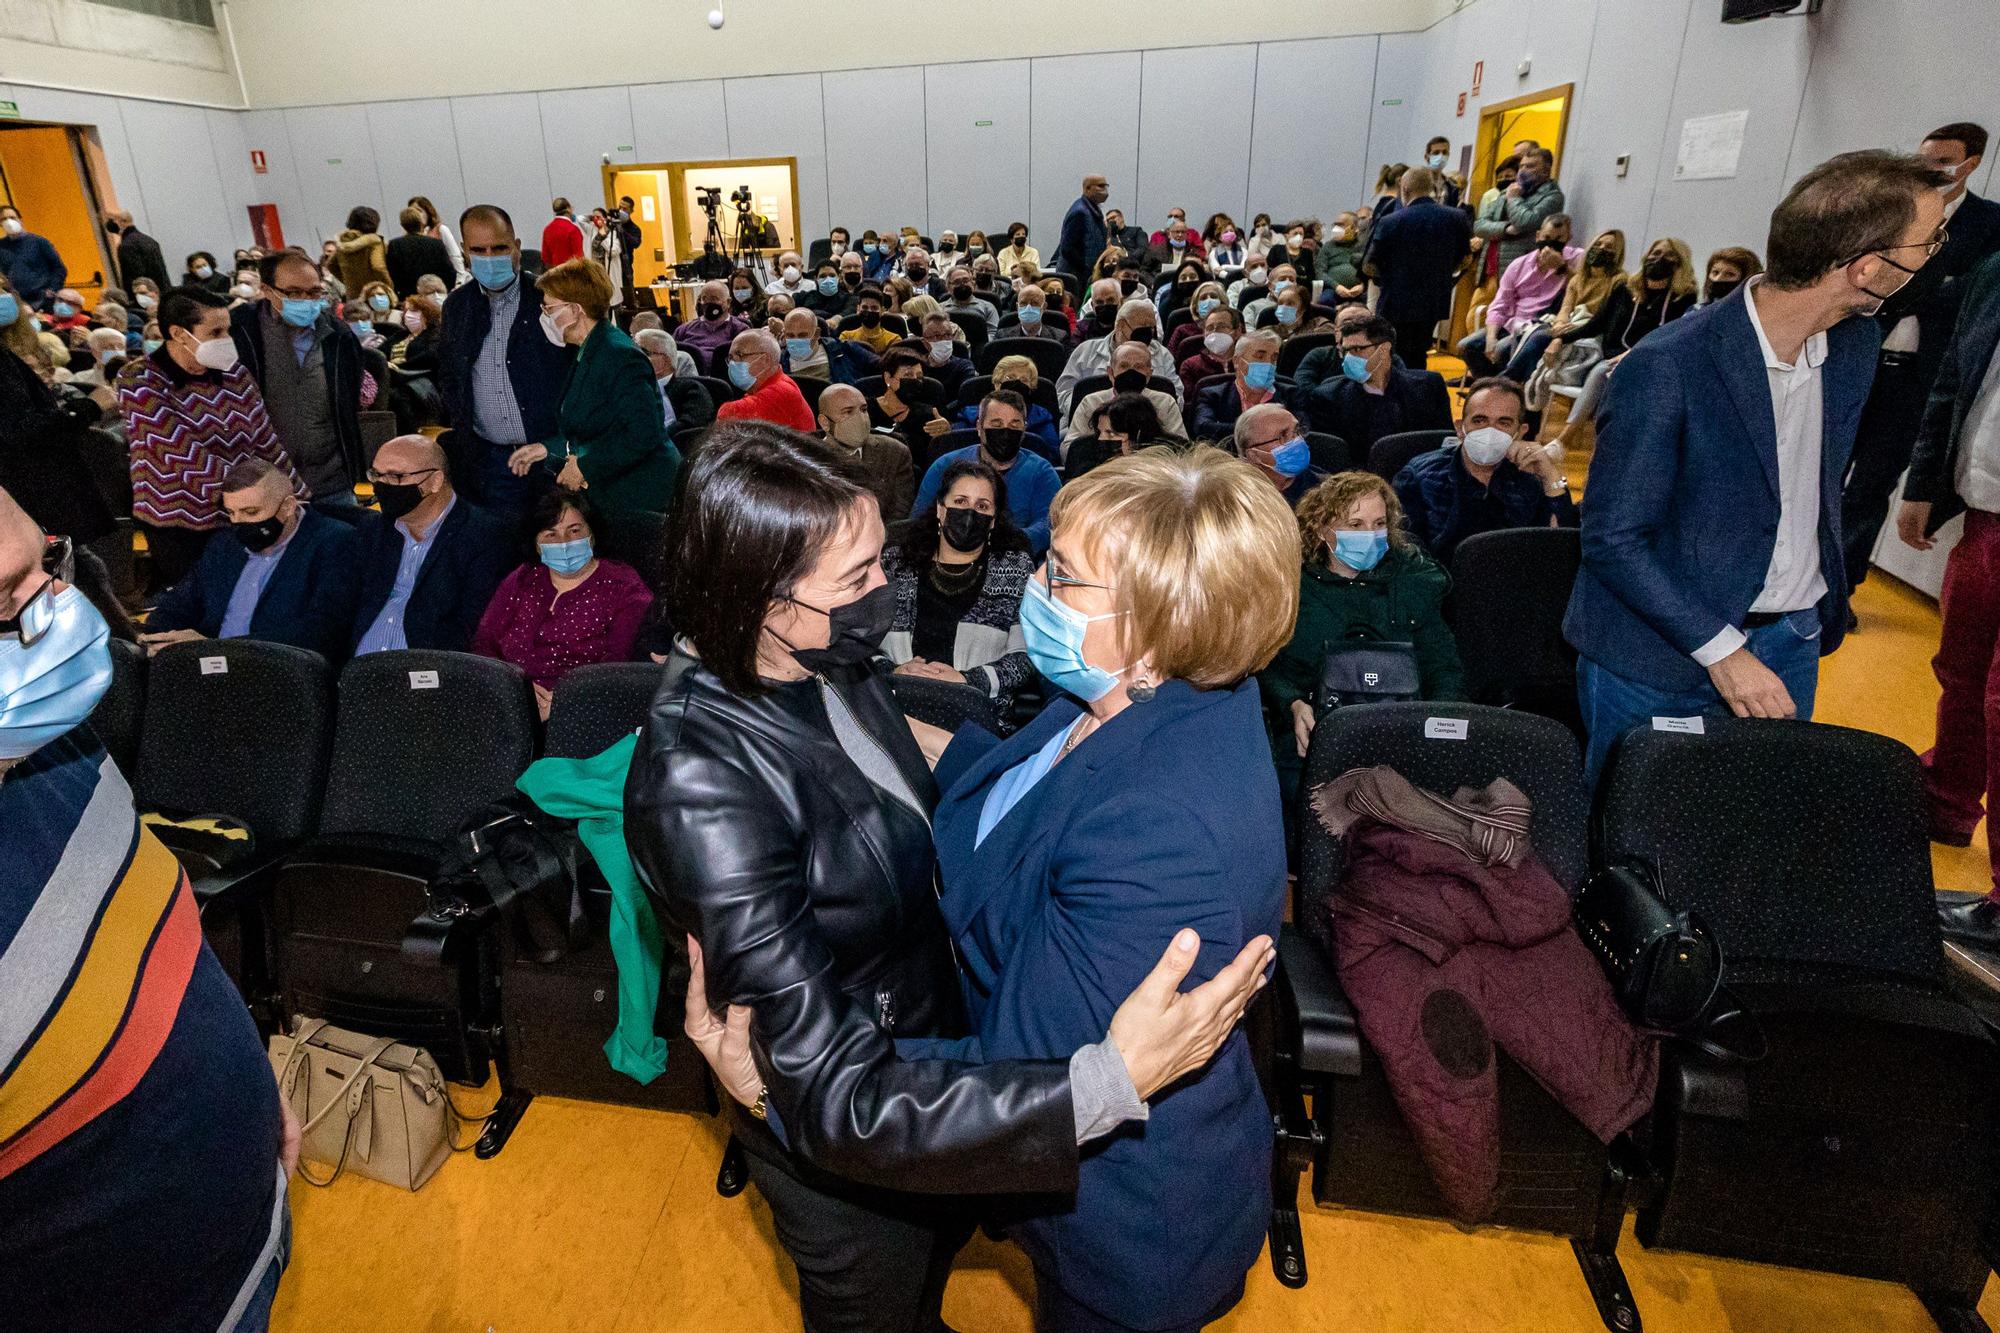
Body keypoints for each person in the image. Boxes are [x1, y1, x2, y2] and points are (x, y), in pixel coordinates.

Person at [630, 423, 1274, 1333]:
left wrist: (1113, 1077)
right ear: (765, 604)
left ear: (1158, 622)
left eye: (1062, 575)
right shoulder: (702, 776)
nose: (885, 591)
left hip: (1020, 1140)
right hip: (874, 1113)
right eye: (856, 578)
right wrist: (791, 1088)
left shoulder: (1149, 811)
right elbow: (844, 1089)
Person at [0, 486, 296, 1333]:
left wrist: (235, 1069)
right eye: (4, 601)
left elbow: (138, 930)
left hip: (241, 1249)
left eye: (47, 564)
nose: (60, 609)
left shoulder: (41, 736)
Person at [1565, 150, 1949, 784]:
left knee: (1752, 835)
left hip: (1792, 639)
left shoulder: (1854, 344)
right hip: (1658, 655)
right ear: (1869, 267)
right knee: (1634, 844)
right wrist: (1724, 652)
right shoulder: (1669, 365)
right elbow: (1612, 538)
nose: (1936, 254)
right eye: (1928, 242)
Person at [1842, 123, 2000, 601]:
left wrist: (1921, 286)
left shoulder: (1988, 225)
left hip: (1918, 378)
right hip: (1861, 360)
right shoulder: (1892, 216)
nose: (1929, 170)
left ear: (1971, 163)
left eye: (1942, 161)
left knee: (1871, 486)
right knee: (1822, 470)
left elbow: (1969, 304)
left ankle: (1839, 590)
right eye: (1924, 158)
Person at [1260, 468, 1465, 806]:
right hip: (1314, 735)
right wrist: (1292, 704)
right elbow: (1267, 665)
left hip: (1405, 734)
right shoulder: (1290, 587)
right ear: (1323, 529)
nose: (1370, 535)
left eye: (1379, 524)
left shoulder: (1415, 579)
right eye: (1355, 525)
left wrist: (1438, 729)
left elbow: (1443, 668)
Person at [1904, 253, 2000, 937]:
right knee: (1960, 672)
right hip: (1985, 510)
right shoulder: (1994, 270)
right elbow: (1953, 379)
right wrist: (1924, 481)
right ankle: (1946, 803)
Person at [120, 285, 302, 586]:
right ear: (179, 334)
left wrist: (295, 495)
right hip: (182, 524)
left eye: (227, 331)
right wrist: (257, 496)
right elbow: (181, 454)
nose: (226, 340)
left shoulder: (234, 373)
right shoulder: (139, 378)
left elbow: (267, 441)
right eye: (215, 332)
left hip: (244, 511)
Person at [435, 204, 575, 525]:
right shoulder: (457, 307)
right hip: (492, 460)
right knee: (505, 552)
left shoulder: (548, 297)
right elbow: (450, 375)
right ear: (465, 253)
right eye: (479, 250)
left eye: (499, 247)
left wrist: (563, 445)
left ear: (516, 246)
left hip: (552, 453)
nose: (490, 257)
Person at [507, 258, 680, 517]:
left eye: (549, 308)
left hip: (643, 495)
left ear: (575, 309)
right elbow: (591, 427)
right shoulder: (587, 351)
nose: (544, 316)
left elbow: (643, 435)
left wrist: (584, 467)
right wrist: (547, 447)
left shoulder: (619, 355)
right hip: (614, 490)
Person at [140, 457, 355, 659]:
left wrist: (216, 649)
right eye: (231, 513)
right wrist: (156, 636)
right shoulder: (224, 544)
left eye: (251, 512)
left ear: (288, 507)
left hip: (282, 670)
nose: (239, 522)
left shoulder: (334, 543)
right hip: (208, 668)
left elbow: (322, 632)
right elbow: (179, 604)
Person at [472, 487, 652, 719]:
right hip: (507, 702)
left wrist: (564, 700)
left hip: (585, 709)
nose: (564, 542)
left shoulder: (623, 586)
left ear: (592, 535)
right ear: (537, 544)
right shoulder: (523, 578)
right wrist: (513, 692)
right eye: (551, 534)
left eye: (574, 530)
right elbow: (484, 643)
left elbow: (618, 665)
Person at [879, 456, 1035, 707]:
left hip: (974, 707)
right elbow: (860, 640)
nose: (970, 513)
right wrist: (893, 671)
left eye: (982, 506)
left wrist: (967, 681)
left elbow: (1026, 657)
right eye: (960, 501)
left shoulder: (1015, 568)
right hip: (895, 701)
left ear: (993, 520)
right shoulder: (895, 562)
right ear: (941, 509)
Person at [350, 433, 513, 655]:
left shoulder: (485, 537)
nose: (382, 486)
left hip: (428, 671)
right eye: (377, 475)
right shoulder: (374, 530)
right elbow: (344, 608)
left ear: (435, 481)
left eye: (396, 476)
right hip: (358, 669)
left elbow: (473, 629)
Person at [229, 249, 367, 508]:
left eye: (314, 292)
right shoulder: (241, 331)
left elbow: (350, 402)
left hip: (331, 480)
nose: (305, 300)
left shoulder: (339, 336)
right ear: (268, 290)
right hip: (265, 485)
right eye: (293, 292)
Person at [1394, 376, 1573, 569]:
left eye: (1503, 423)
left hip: (1513, 585)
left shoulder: (1532, 478)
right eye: (1479, 420)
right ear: (1460, 428)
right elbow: (1405, 554)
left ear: (1520, 432)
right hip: (1443, 587)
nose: (1490, 431)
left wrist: (1550, 476)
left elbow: (1560, 550)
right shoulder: (1419, 477)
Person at [1541, 238, 1700, 456]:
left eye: (1668, 255)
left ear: (1679, 262)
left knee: (1603, 373)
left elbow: (1668, 336)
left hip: (1645, 361)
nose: (1659, 260)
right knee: (1586, 363)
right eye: (1655, 253)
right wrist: (1561, 339)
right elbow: (1596, 324)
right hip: (1608, 355)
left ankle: (1564, 440)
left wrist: (1633, 353)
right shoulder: (1625, 289)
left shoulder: (1683, 298)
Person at [913, 389, 1059, 552]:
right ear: (979, 427)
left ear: (1024, 429)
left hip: (1014, 558)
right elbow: (920, 518)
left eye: (1014, 425)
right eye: (996, 424)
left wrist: (1005, 541)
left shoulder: (1042, 472)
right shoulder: (944, 465)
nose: (1005, 431)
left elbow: (1049, 524)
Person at [1301, 313, 1454, 454]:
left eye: (1357, 349)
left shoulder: (1429, 387)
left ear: (1383, 350)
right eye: (1345, 351)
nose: (1348, 358)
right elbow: (1334, 457)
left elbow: (1443, 444)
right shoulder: (1328, 397)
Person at [1496, 228, 1627, 383]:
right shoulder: (1577, 279)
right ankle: (1515, 385)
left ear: (1617, 255)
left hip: (1588, 330)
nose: (1601, 249)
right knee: (1520, 338)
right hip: (1568, 324)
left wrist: (1561, 334)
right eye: (1598, 244)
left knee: (1539, 338)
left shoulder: (1619, 281)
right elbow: (1566, 308)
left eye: (1609, 247)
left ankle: (1506, 382)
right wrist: (1560, 324)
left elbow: (1601, 320)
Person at [1458, 213, 1577, 377]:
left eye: (1559, 239)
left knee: (1501, 350)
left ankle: (1501, 390)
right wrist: (1491, 337)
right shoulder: (1519, 265)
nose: (1551, 244)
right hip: (1511, 323)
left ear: (1568, 238)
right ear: (1538, 236)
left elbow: (1584, 287)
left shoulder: (1576, 258)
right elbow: (1499, 304)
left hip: (1542, 325)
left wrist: (1562, 267)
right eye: (1547, 237)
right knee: (1467, 346)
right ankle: (1489, 387)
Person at [1056, 295, 1175, 417]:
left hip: (1149, 421)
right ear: (1120, 326)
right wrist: (1092, 409)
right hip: (1090, 421)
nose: (1148, 332)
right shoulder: (1085, 351)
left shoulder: (1163, 355)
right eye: (1143, 326)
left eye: (1151, 327)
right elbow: (1062, 393)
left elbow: (1177, 396)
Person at [816, 381, 915, 521]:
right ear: (825, 422)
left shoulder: (895, 452)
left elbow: (899, 517)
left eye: (863, 410)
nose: (860, 419)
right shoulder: (807, 461)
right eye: (848, 412)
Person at [1066, 340, 1186, 446]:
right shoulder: (1091, 402)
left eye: (1138, 367)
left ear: (1149, 374)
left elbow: (1181, 445)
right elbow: (1069, 447)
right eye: (1124, 366)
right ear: (1110, 373)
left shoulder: (1165, 402)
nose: (1131, 373)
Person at [1472, 146, 1565, 275]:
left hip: (1522, 271)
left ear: (1545, 170)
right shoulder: (1509, 191)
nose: (1522, 171)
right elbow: (1479, 226)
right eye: (1521, 166)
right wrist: (1506, 229)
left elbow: (1525, 222)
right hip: (1489, 269)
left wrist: (1514, 199)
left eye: (1530, 166)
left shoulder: (1553, 197)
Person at [715, 328, 817, 432]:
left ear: (765, 360)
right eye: (730, 358)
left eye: (740, 355)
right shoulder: (761, 388)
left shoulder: (781, 391)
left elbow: (727, 415)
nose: (733, 363)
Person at [1190, 327, 1282, 442]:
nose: (1269, 363)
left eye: (1274, 358)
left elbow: (1302, 430)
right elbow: (1203, 428)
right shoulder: (1212, 395)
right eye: (1260, 356)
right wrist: (1265, 430)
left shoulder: (1292, 394)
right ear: (1237, 361)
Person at [869, 345, 953, 461]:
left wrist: (946, 435)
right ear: (888, 378)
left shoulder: (928, 415)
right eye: (908, 375)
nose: (914, 380)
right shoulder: (864, 410)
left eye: (919, 377)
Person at [1234, 402, 1324, 507]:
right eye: (1282, 436)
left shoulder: (1325, 491)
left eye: (1297, 431)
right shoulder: (1236, 499)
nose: (1298, 440)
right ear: (1254, 456)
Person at [1065, 391, 1171, 479]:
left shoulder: (1165, 472)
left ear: (1139, 436)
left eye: (1111, 434)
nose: (1101, 439)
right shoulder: (1086, 468)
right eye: (1100, 432)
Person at [635, 327, 715, 435]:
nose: (634, 358)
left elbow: (691, 427)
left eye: (643, 352)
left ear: (665, 360)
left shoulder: (691, 389)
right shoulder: (626, 389)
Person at [777, 306, 877, 388]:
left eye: (802, 335)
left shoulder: (842, 349)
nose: (796, 340)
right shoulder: (778, 363)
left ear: (817, 334)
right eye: (790, 335)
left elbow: (879, 364)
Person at [385, 207, 454, 307]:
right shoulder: (436, 243)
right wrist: (443, 290)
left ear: (403, 225)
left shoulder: (395, 245)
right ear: (421, 223)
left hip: (409, 298)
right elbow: (449, 271)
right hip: (435, 296)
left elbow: (393, 273)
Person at [0, 205, 65, 307]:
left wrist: (52, 290)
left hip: (43, 300)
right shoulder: (1, 247)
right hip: (19, 303)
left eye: (12, 218)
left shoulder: (39, 242)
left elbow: (59, 268)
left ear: (20, 220)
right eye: (3, 219)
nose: (8, 222)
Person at [673, 279, 749, 365]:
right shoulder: (684, 329)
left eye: (714, 299)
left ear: (728, 302)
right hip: (690, 376)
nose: (708, 302)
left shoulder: (740, 329)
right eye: (704, 298)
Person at [330, 207, 394, 302]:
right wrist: (388, 286)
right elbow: (378, 267)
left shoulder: (342, 243)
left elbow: (331, 265)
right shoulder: (374, 241)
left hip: (352, 296)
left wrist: (348, 282)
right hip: (374, 294)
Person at [1177, 303, 1240, 397]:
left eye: (1222, 326)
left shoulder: (1246, 361)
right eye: (1210, 328)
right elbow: (1190, 404)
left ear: (1237, 332)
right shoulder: (1190, 366)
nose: (1215, 331)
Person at [1057, 172, 1111, 278]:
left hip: (1088, 273)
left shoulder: (1093, 210)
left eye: (1106, 186)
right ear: (1087, 189)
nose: (1105, 190)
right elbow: (1067, 248)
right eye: (1100, 186)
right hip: (1076, 275)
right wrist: (1086, 268)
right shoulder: (1080, 212)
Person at [104, 209, 169, 294]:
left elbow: (134, 277)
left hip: (146, 295)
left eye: (112, 220)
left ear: (122, 221)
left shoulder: (126, 246)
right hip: (163, 292)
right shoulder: (150, 240)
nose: (110, 223)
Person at [407, 194, 467, 284]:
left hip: (447, 281)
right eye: (412, 211)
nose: (416, 215)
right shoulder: (409, 237)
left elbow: (455, 256)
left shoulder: (441, 230)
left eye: (419, 211)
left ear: (428, 212)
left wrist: (460, 281)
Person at [1315, 212, 1364, 303]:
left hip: (1359, 291)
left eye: (1341, 225)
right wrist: (1336, 286)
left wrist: (1362, 286)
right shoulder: (1328, 246)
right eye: (1335, 225)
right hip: (1333, 290)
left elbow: (1370, 271)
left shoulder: (1363, 246)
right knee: (1325, 300)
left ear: (1354, 228)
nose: (1336, 229)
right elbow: (1320, 272)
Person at [941, 266, 1000, 336]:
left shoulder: (988, 308)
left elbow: (993, 334)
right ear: (948, 286)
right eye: (957, 282)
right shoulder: (940, 309)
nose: (962, 285)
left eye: (965, 281)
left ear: (973, 283)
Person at [542, 197, 587, 270]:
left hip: (556, 276)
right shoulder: (573, 230)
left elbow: (546, 260)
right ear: (568, 209)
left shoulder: (547, 230)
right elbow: (579, 259)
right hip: (572, 276)